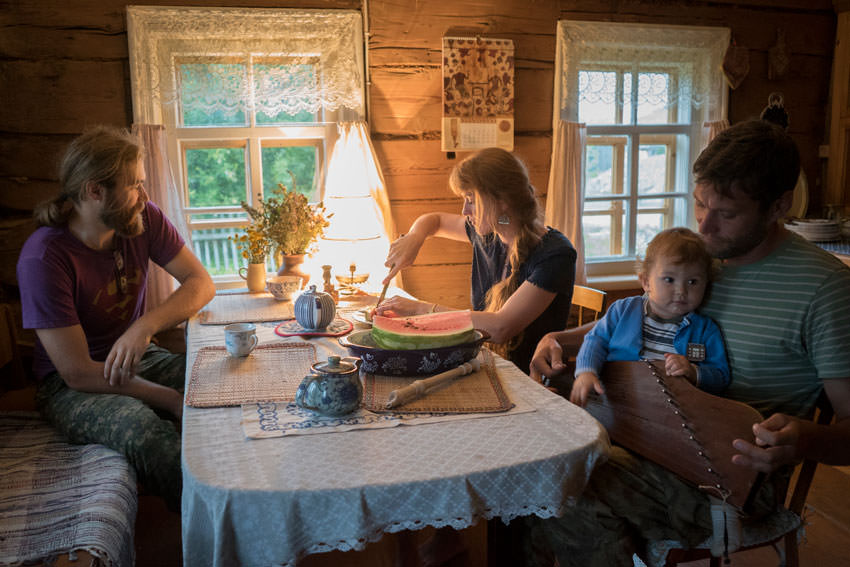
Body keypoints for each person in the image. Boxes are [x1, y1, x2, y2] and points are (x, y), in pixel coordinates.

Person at [525, 119, 850, 566]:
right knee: (533, 465)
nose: (705, 226)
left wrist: (805, 440)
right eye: (699, 205)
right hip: (646, 438)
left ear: (778, 206)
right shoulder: (704, 259)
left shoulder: (824, 288)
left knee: (562, 489)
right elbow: (643, 315)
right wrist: (561, 337)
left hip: (727, 479)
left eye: (727, 214)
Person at [16, 125, 216, 512]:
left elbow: (201, 282)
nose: (145, 196)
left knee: (216, 384)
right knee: (141, 429)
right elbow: (77, 372)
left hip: (139, 356)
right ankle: (220, 522)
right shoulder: (44, 259)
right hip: (71, 385)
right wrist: (171, 399)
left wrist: (144, 327)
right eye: (134, 185)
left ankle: (253, 484)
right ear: (94, 191)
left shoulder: (142, 218)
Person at [375, 147, 577, 373]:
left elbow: (501, 327)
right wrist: (415, 237)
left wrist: (420, 310)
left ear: (502, 201)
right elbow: (434, 221)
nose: (465, 210)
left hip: (532, 380)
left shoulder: (555, 255)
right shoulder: (490, 231)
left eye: (471, 200)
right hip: (490, 367)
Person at [570, 227, 729, 408]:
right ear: (646, 281)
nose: (681, 291)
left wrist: (694, 371)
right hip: (616, 404)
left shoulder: (705, 330)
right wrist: (586, 373)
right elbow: (595, 341)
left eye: (692, 282)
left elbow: (721, 377)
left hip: (670, 415)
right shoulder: (623, 310)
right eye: (669, 279)